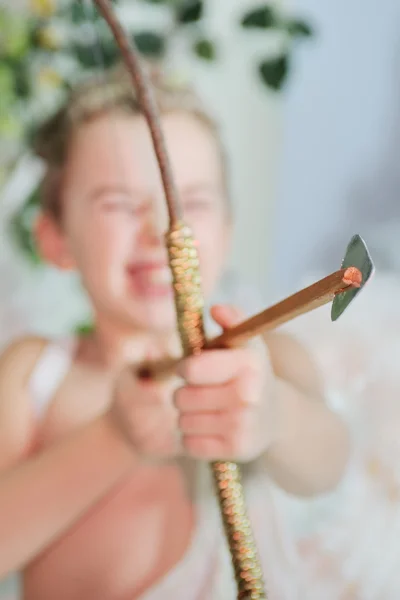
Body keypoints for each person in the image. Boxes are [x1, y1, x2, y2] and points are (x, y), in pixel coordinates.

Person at [0, 65, 350, 600]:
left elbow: (330, 463)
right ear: (55, 238)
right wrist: (114, 438)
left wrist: (274, 415)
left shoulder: (266, 359)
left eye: (194, 203)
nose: (162, 229)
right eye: (117, 204)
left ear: (227, 230)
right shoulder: (34, 374)